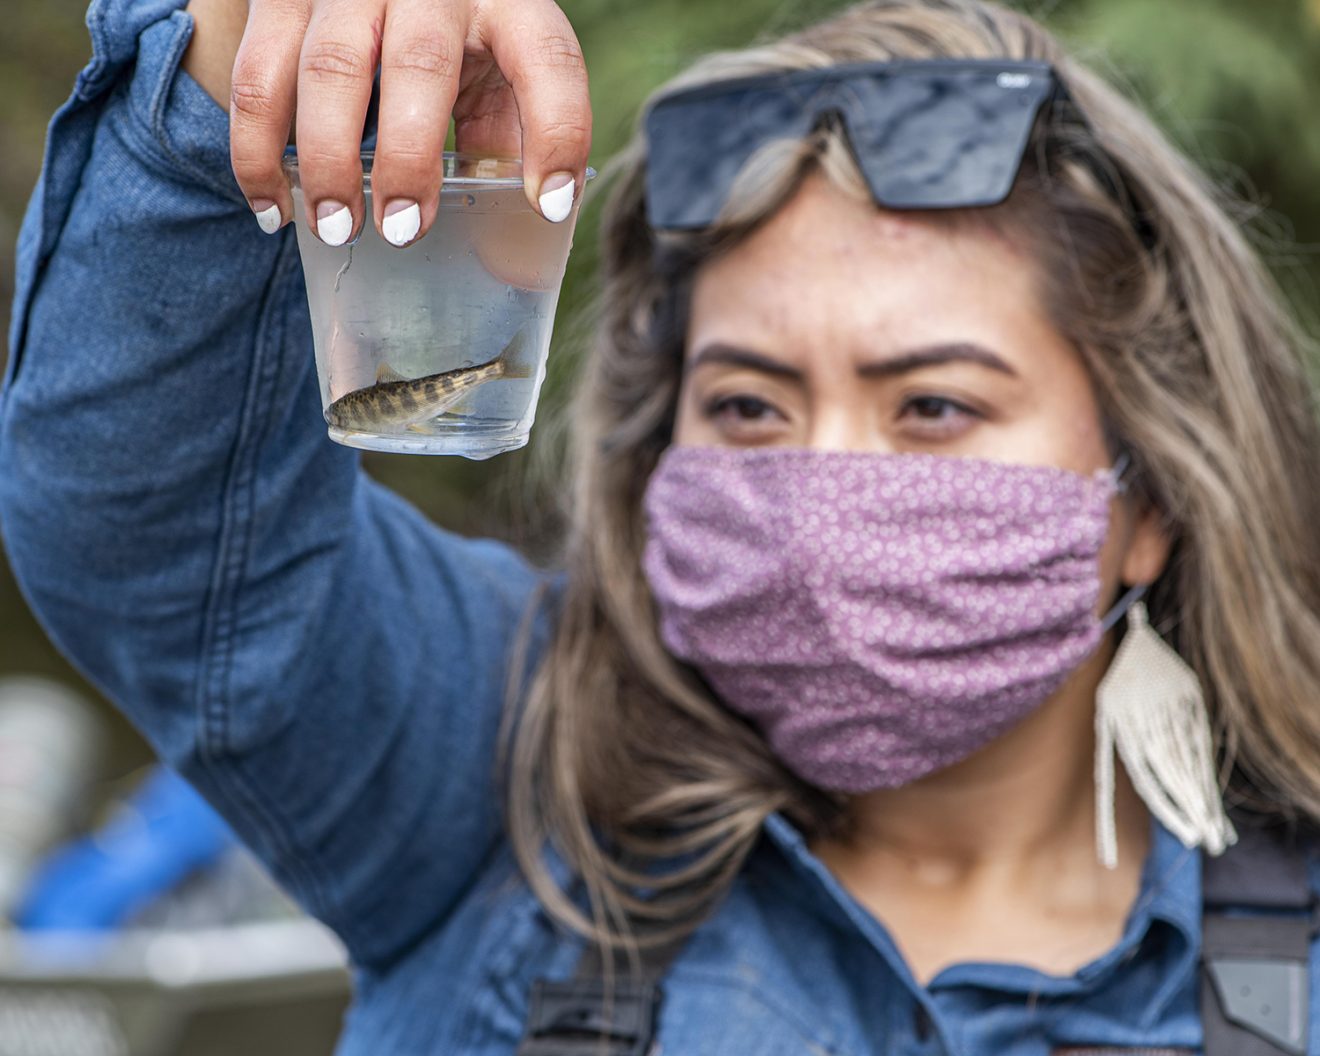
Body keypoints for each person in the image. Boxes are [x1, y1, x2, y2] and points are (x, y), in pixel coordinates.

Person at [4, 0, 1320, 1052]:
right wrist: (225, 79)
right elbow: (154, 536)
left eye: (932, 404)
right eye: (748, 405)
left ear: (1147, 495)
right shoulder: (503, 783)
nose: (821, 492)